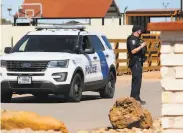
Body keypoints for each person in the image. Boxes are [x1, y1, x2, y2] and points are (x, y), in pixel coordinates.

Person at [126, 25, 147, 105]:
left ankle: (136, 98)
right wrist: (142, 46)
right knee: (136, 81)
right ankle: (133, 99)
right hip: (135, 63)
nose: (141, 32)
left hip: (139, 62)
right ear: (137, 31)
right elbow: (133, 51)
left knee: (138, 81)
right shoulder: (131, 39)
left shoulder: (138, 40)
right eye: (140, 30)